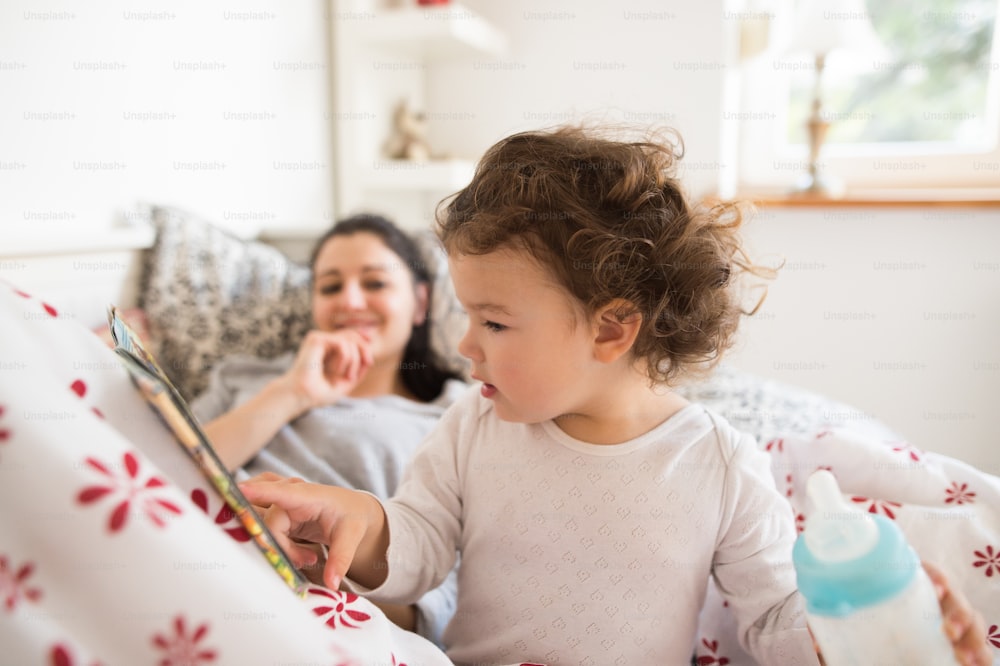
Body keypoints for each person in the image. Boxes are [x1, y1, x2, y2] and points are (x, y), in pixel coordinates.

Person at [240, 127, 992, 665]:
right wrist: (357, 522)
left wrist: (885, 633)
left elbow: (773, 625)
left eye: (494, 321)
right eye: (467, 317)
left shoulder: (720, 464)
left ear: (613, 329)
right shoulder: (475, 428)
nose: (466, 346)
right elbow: (419, 549)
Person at [191, 213, 466, 646]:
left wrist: (311, 566)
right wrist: (292, 393)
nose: (350, 302)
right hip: (195, 547)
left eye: (375, 283)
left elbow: (431, 615)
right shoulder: (243, 378)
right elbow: (164, 465)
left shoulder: (457, 416)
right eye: (331, 286)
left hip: (313, 609)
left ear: (419, 303)